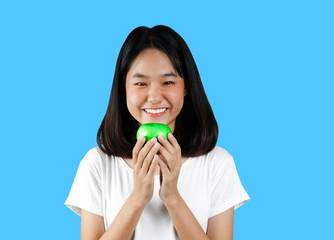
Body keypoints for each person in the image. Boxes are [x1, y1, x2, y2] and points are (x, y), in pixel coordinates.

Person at [65, 25, 250, 240]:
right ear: (123, 87)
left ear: (186, 87)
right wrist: (138, 197)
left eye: (168, 82)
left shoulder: (217, 164)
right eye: (141, 83)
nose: (154, 97)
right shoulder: (97, 163)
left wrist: (172, 196)